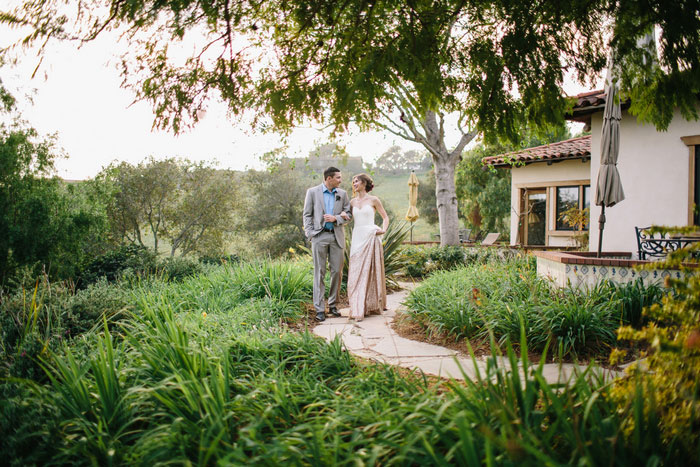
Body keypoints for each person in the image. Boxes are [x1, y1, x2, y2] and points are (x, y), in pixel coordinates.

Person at [303, 167, 352, 321]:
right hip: (319, 236)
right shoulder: (312, 192)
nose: (340, 180)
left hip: (336, 237)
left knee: (337, 272)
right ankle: (319, 309)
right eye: (338, 177)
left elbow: (348, 214)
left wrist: (336, 218)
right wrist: (310, 233)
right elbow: (307, 214)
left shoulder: (342, 194)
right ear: (328, 178)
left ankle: (333, 305)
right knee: (319, 273)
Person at [347, 173, 389, 322]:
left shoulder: (374, 200)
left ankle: (364, 307)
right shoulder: (351, 202)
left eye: (356, 181)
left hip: (371, 236)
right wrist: (340, 217)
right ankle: (356, 305)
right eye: (353, 181)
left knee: (370, 272)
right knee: (355, 272)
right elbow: (348, 219)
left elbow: (385, 217)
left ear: (364, 183)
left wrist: (383, 230)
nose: (354, 183)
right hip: (357, 237)